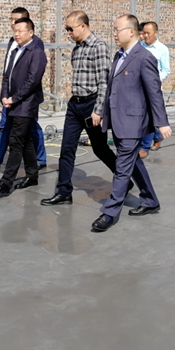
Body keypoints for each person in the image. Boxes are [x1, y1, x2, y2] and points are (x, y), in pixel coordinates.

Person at [91, 14, 172, 233]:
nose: (114, 34)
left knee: (122, 168)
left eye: (117, 29)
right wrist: (103, 112)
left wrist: (162, 123)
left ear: (131, 31)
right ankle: (150, 200)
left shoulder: (144, 57)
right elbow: (112, 89)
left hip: (133, 123)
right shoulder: (119, 55)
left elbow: (154, 92)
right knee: (133, 161)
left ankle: (110, 213)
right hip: (118, 120)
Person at [40, 11, 118, 206]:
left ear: (83, 26)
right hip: (75, 105)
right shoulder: (77, 49)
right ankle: (64, 191)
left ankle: (123, 178)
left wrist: (98, 110)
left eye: (70, 29)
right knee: (67, 148)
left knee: (100, 149)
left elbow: (104, 82)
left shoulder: (99, 47)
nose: (68, 32)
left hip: (91, 106)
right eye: (66, 29)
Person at [0, 7, 47, 172]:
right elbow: (7, 71)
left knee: (30, 129)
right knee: (5, 126)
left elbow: (33, 77)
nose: (12, 23)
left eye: (16, 20)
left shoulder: (35, 44)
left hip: (26, 99)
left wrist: (16, 97)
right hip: (10, 96)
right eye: (11, 19)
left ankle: (38, 160)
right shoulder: (12, 41)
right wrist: (4, 95)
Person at [0, 18, 48, 195]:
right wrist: (4, 96)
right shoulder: (15, 51)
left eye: (20, 31)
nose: (16, 34)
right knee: (26, 140)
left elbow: (32, 81)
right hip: (13, 103)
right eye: (15, 31)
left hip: (26, 104)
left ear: (31, 32)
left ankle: (6, 182)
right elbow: (7, 76)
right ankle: (32, 175)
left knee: (15, 141)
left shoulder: (36, 53)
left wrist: (15, 98)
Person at [138, 21, 171, 158]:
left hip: (153, 89)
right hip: (138, 89)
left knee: (150, 116)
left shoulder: (162, 49)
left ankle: (144, 146)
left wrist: (153, 80)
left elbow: (166, 70)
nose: (145, 36)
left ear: (155, 33)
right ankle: (157, 136)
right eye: (144, 33)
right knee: (141, 116)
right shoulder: (139, 47)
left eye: (148, 33)